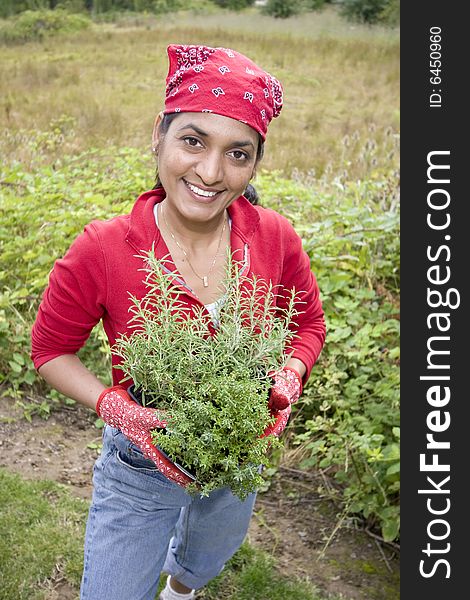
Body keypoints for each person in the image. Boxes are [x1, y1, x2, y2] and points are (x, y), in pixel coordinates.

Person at [31, 44, 326, 600]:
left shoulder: (275, 237)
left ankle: (181, 589)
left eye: (238, 154)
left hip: (240, 444)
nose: (211, 172)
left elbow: (308, 324)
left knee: (208, 552)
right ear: (158, 137)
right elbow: (50, 350)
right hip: (142, 460)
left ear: (255, 163)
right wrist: (116, 407)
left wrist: (290, 372)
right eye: (193, 140)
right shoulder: (104, 247)